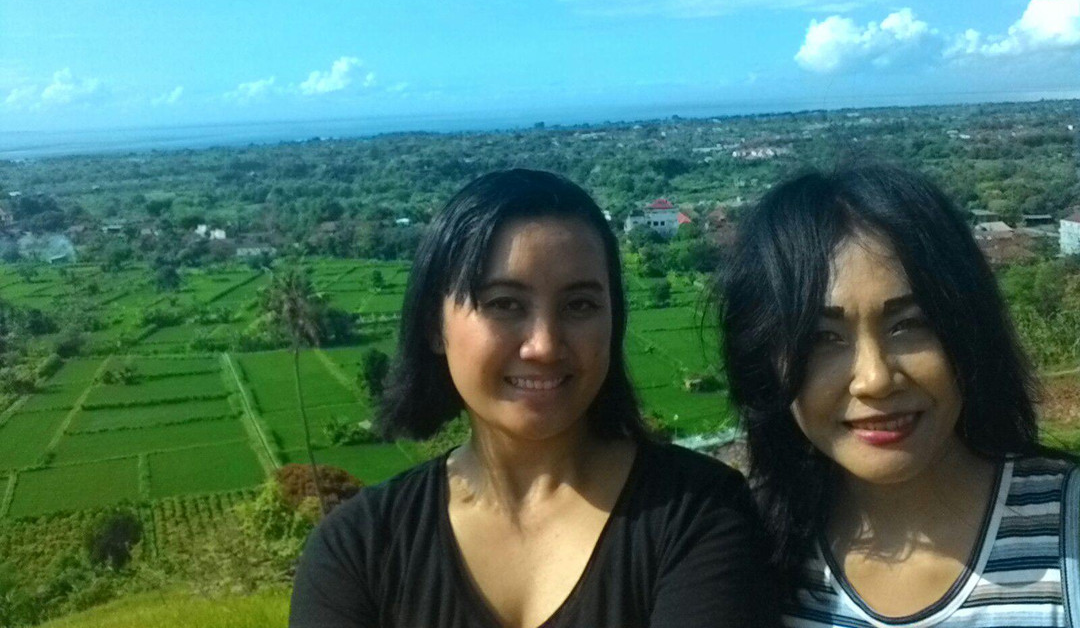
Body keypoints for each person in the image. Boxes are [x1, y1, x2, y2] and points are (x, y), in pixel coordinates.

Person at [290, 168, 779, 628]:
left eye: (580, 305)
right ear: (434, 325)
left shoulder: (699, 515)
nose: (544, 345)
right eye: (504, 304)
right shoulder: (358, 549)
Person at [720, 163, 1080, 627]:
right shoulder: (739, 548)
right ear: (764, 361)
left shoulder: (1067, 530)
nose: (875, 379)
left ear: (968, 329)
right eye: (821, 338)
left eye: (909, 324)